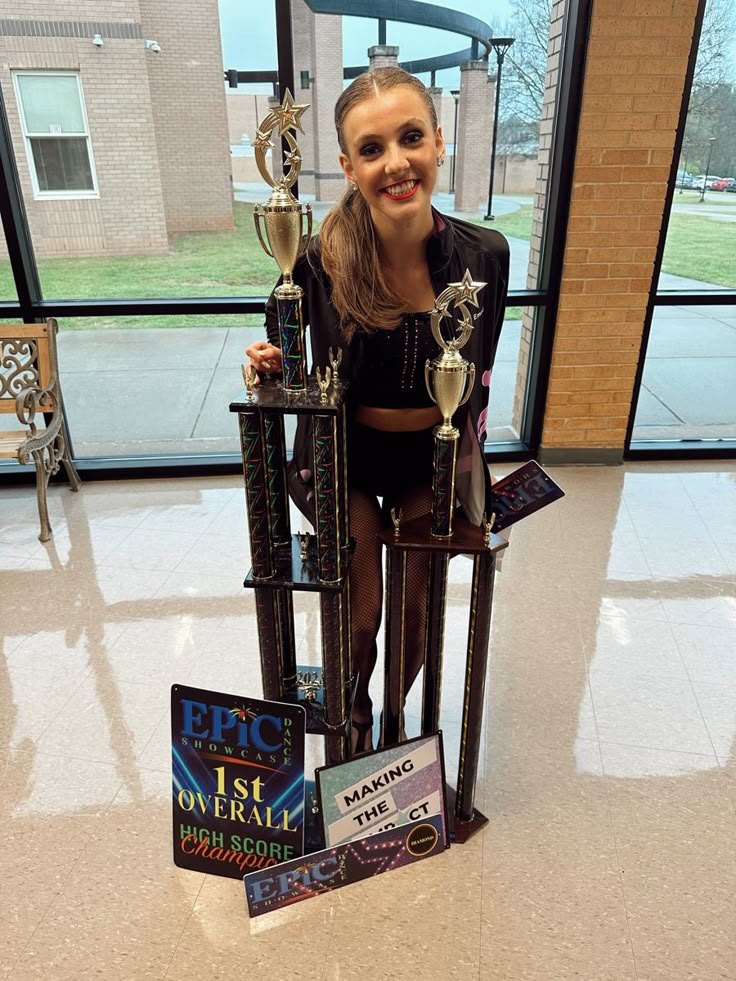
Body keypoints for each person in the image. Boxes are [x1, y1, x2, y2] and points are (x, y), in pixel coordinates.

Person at [246, 67, 509, 753]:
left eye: (411, 137)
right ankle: (353, 710)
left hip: (433, 457)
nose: (396, 163)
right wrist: (268, 363)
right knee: (362, 614)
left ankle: (395, 719)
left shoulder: (487, 255)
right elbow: (291, 358)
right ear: (347, 166)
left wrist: (476, 481)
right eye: (372, 149)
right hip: (347, 460)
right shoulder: (314, 262)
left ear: (439, 142)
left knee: (416, 614)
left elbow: (479, 370)